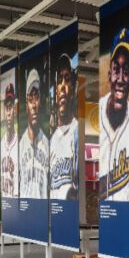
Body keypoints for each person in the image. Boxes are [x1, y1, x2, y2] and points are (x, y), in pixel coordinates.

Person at [100, 28, 129, 201]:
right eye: (116, 69)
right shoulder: (99, 111)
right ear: (109, 75)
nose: (121, 79)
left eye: (126, 70)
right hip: (105, 214)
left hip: (126, 215)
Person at [49, 53, 79, 200]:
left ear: (72, 89)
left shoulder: (76, 132)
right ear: (55, 91)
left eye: (67, 79)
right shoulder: (52, 140)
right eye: (59, 80)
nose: (62, 86)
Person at [19, 68, 49, 199]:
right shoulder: (21, 145)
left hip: (42, 209)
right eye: (30, 99)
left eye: (36, 98)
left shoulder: (47, 144)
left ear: (40, 102)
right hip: (25, 209)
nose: (34, 105)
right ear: (27, 105)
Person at [0, 82, 18, 198]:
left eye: (10, 107)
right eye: (6, 108)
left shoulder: (19, 143)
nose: (8, 113)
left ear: (14, 110)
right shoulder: (1, 143)